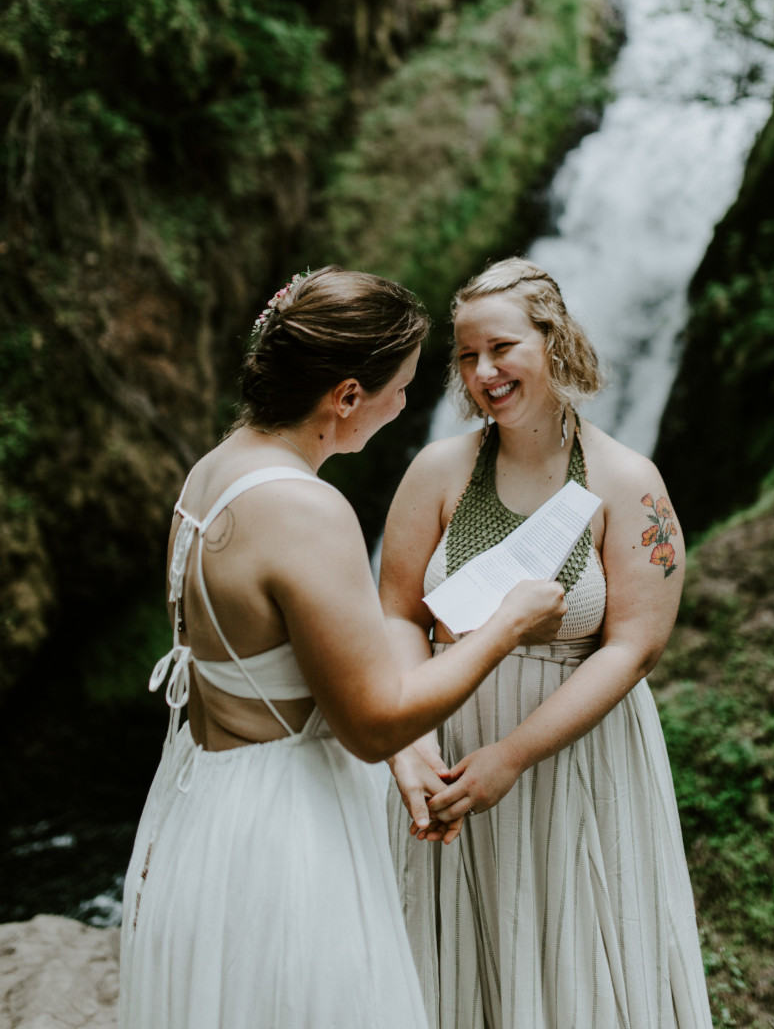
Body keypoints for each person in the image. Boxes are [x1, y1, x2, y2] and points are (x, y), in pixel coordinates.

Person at [118, 265, 566, 1029]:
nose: (405, 405)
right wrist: (508, 625)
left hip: (210, 808)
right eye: (399, 388)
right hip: (285, 837)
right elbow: (370, 726)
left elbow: (294, 674)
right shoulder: (305, 509)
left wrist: (403, 756)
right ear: (347, 396)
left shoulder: (214, 472)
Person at [381, 258, 713, 1029]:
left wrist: (514, 755)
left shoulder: (626, 482)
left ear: (553, 341)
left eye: (501, 348)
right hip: (447, 749)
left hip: (570, 758)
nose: (482, 371)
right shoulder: (438, 471)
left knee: (574, 962)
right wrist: (410, 741)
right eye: (466, 356)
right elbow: (398, 614)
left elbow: (632, 649)